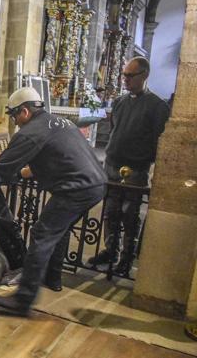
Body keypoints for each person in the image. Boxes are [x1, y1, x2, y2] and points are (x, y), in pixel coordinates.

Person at [0, 87, 107, 316]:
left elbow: (0, 168)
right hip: (95, 184)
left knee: (42, 233)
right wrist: (20, 175)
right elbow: (53, 158)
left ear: (26, 112)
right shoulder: (59, 122)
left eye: (14, 116)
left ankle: (24, 299)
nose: (15, 122)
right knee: (57, 231)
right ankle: (52, 277)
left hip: (75, 189)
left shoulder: (31, 131)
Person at [87, 57, 170, 275]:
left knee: (130, 213)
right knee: (110, 210)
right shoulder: (120, 102)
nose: (126, 79)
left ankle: (126, 257)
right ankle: (110, 250)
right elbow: (115, 129)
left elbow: (157, 140)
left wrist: (142, 160)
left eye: (130, 76)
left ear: (144, 76)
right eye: (124, 75)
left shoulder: (157, 106)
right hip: (112, 164)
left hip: (134, 168)